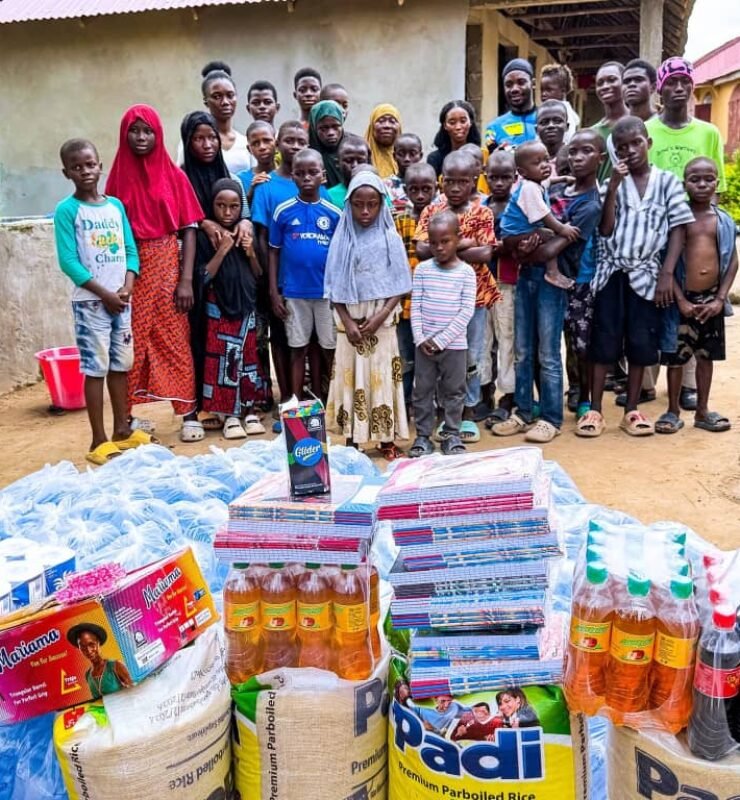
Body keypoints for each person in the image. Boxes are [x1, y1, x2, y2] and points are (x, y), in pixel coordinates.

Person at [586, 116, 694, 438]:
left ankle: (631, 410)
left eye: (636, 143)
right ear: (616, 153)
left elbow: (678, 228)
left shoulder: (668, 182)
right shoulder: (611, 184)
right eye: (622, 147)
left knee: (640, 341)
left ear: (649, 143)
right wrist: (614, 188)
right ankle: (594, 410)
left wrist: (667, 274)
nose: (630, 151)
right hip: (611, 274)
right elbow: (605, 230)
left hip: (647, 276)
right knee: (603, 341)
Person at [106, 105, 205, 442]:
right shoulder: (116, 178)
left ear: (158, 134)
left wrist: (186, 280)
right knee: (129, 341)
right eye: (134, 131)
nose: (141, 137)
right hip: (127, 273)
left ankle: (188, 411)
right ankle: (127, 417)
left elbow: (189, 229)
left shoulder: (173, 176)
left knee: (175, 338)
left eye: (147, 131)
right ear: (124, 134)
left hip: (166, 266)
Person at [54, 139, 145, 465]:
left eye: (90, 164)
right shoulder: (67, 211)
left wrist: (127, 286)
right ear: (67, 172)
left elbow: (130, 250)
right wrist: (104, 294)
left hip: (121, 300)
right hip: (92, 304)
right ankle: (98, 440)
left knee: (121, 365)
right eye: (77, 167)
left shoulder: (115, 206)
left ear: (100, 165)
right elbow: (68, 261)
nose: (85, 171)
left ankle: (123, 428)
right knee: (96, 368)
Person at [508, 131, 605, 436]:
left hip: (550, 281)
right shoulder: (540, 188)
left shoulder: (590, 205)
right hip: (526, 276)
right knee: (523, 349)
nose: (576, 159)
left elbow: (552, 248)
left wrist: (527, 246)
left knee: (548, 353)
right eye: (572, 153)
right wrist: (521, 243)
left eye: (585, 152)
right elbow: (533, 232)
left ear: (600, 160)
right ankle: (523, 411)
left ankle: (550, 418)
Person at [647, 56, 728, 412]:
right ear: (660, 90)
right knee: (664, 308)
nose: (678, 88)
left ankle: (690, 389)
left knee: (697, 304)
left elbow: (718, 187)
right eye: (671, 83)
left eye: (684, 82)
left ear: (692, 88)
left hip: (698, 229)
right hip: (661, 232)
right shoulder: (648, 130)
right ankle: (650, 384)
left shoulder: (707, 133)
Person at [324, 171, 411, 460]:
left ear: (381, 204)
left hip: (381, 323)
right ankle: (353, 438)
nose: (365, 211)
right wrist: (348, 322)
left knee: (382, 378)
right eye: (358, 204)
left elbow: (400, 284)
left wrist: (381, 316)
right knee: (352, 379)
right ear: (348, 204)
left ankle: (386, 439)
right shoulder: (342, 238)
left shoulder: (390, 237)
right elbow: (333, 287)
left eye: (372, 204)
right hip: (350, 326)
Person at [180, 110, 257, 431]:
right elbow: (182, 220)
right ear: (187, 141)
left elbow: (244, 210)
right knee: (202, 342)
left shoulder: (227, 176)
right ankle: (200, 407)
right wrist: (204, 222)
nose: (208, 144)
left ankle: (244, 404)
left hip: (237, 277)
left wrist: (244, 223)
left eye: (212, 137)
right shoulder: (182, 178)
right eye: (199, 138)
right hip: (199, 273)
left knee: (244, 345)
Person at [415, 151, 499, 443]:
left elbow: (486, 253)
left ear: (474, 181)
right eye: (449, 181)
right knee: (438, 356)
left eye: (462, 182)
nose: (455, 187)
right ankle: (442, 414)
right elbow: (422, 249)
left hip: (473, 296)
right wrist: (466, 243)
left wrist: (448, 247)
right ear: (441, 181)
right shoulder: (432, 211)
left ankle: (468, 412)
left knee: (470, 356)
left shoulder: (483, 212)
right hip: (438, 299)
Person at [656, 157, 737, 434]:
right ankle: (672, 411)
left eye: (708, 179)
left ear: (717, 181)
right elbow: (666, 260)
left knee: (706, 356)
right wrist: (680, 300)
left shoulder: (723, 220)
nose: (702, 184)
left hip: (711, 301)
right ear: (684, 183)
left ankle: (702, 411)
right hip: (682, 301)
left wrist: (719, 299)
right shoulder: (679, 219)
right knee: (676, 358)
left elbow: (732, 261)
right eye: (694, 179)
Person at [251, 121, 320, 408]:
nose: (294, 146)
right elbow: (264, 238)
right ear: (278, 144)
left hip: (314, 287)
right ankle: (287, 401)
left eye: (300, 141)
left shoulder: (316, 185)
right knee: (282, 341)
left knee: (313, 343)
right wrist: (273, 285)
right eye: (288, 140)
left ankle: (314, 398)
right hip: (281, 282)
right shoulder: (268, 187)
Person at [196, 179, 269, 438]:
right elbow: (202, 278)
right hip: (219, 309)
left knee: (248, 360)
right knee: (223, 361)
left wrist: (250, 253)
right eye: (221, 206)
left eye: (234, 207)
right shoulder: (207, 236)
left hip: (245, 307)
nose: (227, 212)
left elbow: (259, 274)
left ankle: (248, 410)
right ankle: (227, 414)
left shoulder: (244, 233)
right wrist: (223, 250)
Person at [269, 148, 341, 401]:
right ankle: (296, 401)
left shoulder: (334, 213)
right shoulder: (284, 211)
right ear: (293, 177)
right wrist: (274, 292)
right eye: (300, 173)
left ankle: (329, 399)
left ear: (323, 175)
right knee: (297, 348)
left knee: (328, 348)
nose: (307, 178)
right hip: (294, 293)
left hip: (325, 293)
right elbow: (274, 252)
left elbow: (339, 257)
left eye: (313, 173)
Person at [409, 210, 476, 457]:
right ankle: (423, 436)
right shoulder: (423, 270)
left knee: (454, 391)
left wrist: (441, 340)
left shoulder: (466, 273)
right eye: (433, 242)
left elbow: (466, 311)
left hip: (454, 346)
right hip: (424, 346)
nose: (439, 247)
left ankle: (451, 434)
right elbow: (415, 306)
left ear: (458, 239)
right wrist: (420, 338)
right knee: (422, 391)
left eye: (445, 241)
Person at [500, 141, 580, 291]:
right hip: (513, 235)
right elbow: (545, 215)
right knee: (549, 234)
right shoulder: (529, 188)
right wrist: (562, 229)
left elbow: (548, 182)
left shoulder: (536, 182)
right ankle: (552, 272)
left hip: (516, 232)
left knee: (543, 235)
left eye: (546, 159)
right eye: (537, 163)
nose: (544, 165)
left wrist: (563, 179)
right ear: (522, 172)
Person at [395, 162, 438, 410]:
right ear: (406, 190)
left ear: (436, 187)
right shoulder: (399, 220)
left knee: (429, 357)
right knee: (405, 358)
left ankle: (426, 405)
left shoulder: (442, 220)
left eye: (426, 189)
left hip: (433, 305)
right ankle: (404, 405)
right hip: (404, 303)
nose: (420, 195)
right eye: (414, 189)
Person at [482, 151, 519, 422]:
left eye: (505, 177)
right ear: (485, 177)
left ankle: (508, 395)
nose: (499, 183)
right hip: (482, 283)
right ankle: (484, 391)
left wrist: (493, 248)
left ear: (515, 178)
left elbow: (518, 243)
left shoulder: (518, 208)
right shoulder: (481, 208)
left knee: (507, 340)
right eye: (493, 177)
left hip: (508, 283)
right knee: (483, 342)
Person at [177, 66, 254, 174]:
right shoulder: (193, 142)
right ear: (206, 101)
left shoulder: (246, 142)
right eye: (217, 96)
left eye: (230, 95)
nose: (225, 102)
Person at [67, 622, 134, 700]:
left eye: (91, 644)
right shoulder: (88, 675)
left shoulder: (116, 666)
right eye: (83, 647)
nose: (88, 651)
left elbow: (133, 691)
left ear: (98, 643)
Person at [484, 59, 538, 152]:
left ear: (533, 84)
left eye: (521, 82)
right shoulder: (494, 128)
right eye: (509, 85)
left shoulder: (547, 120)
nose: (514, 89)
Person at [591, 61, 628, 183]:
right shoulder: (592, 133)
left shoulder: (640, 124)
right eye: (600, 83)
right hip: (604, 199)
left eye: (612, 80)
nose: (605, 86)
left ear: (625, 83)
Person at [427, 100, 484, 179]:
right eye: (452, 122)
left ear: (470, 122)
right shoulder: (435, 159)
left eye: (463, 121)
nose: (458, 127)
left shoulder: (481, 155)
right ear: (445, 125)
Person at [308, 99, 346, 188]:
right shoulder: (306, 155)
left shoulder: (354, 150)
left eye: (335, 126)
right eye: (323, 128)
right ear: (314, 128)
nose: (330, 133)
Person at [239, 120, 277, 205]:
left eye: (267, 141)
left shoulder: (288, 176)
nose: (262, 147)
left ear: (277, 144)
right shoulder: (240, 179)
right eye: (255, 143)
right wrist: (251, 192)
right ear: (249, 149)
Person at [540, 63, 580, 142]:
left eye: (549, 90)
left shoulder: (566, 115)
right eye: (542, 90)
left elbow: (567, 141)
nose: (543, 94)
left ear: (563, 91)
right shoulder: (546, 110)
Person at [327, 135, 372, 208]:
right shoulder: (328, 197)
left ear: (368, 162)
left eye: (361, 161)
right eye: (348, 161)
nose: (355, 165)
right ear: (337, 163)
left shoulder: (379, 193)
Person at [386, 132, 424, 216]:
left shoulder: (428, 185)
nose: (407, 159)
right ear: (394, 156)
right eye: (401, 154)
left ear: (420, 156)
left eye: (412, 154)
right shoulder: (385, 186)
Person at [365, 104, 403, 180]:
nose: (387, 126)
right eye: (381, 121)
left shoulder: (407, 158)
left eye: (392, 121)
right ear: (372, 126)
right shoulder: (361, 156)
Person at [536, 100, 570, 169]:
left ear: (567, 126)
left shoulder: (572, 157)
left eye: (557, 121)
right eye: (544, 122)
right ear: (536, 129)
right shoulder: (528, 160)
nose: (551, 126)